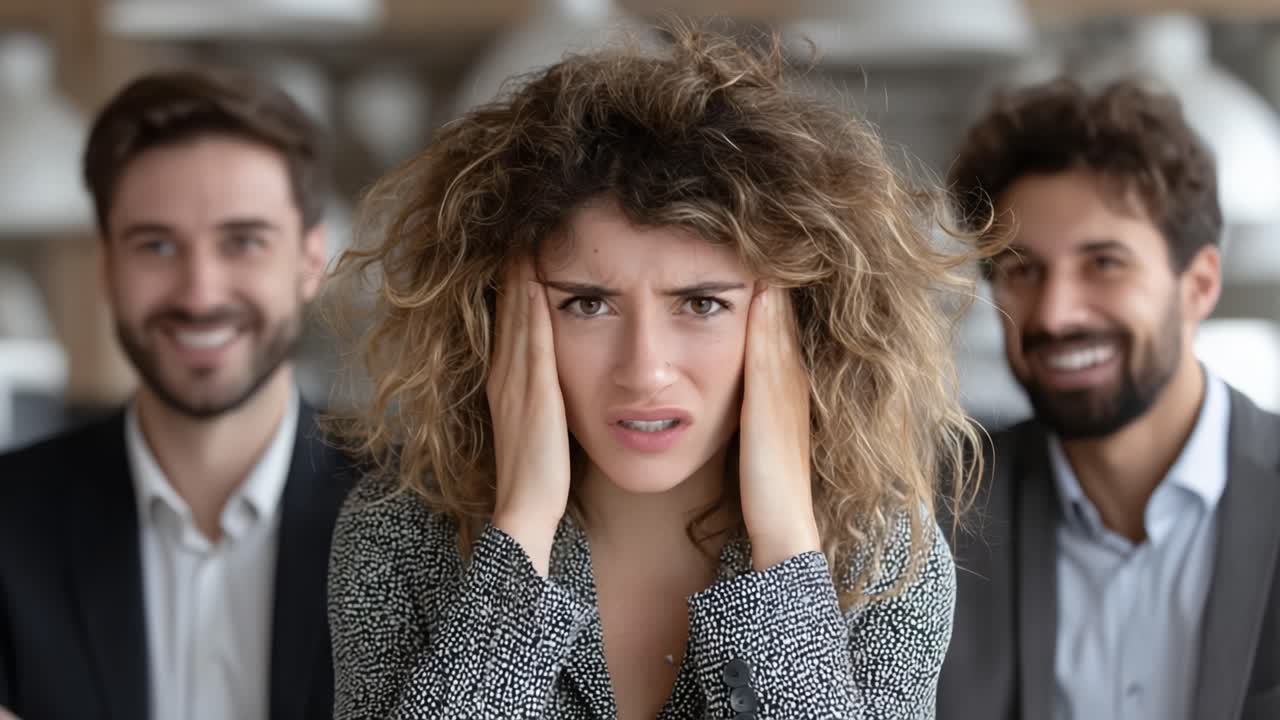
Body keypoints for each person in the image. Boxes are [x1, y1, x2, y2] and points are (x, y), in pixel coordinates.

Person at [326, 25, 988, 720]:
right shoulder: (397, 538)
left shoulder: (878, 556)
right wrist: (518, 537)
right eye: (588, 304)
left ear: (794, 323)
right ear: (502, 316)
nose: (645, 370)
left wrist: (789, 553)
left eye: (701, 304)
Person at [0, 67, 353, 720]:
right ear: (107, 266)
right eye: (156, 245)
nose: (199, 294)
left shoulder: (423, 515)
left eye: (243, 242)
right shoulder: (7, 520)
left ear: (310, 262)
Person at [937, 78, 1280, 720]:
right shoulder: (940, 513)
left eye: (1105, 263)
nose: (1057, 315)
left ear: (1199, 285)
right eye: (1022, 270)